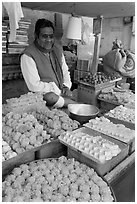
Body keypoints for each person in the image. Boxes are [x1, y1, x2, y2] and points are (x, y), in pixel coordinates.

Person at [20, 18, 76, 108]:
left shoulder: (57, 50)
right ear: (36, 36)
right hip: (41, 98)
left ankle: (71, 104)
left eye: (51, 36)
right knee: (50, 97)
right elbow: (34, 86)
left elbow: (65, 71)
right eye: (44, 36)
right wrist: (56, 90)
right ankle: (74, 104)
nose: (49, 40)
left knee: (70, 96)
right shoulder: (28, 55)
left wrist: (66, 87)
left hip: (60, 94)